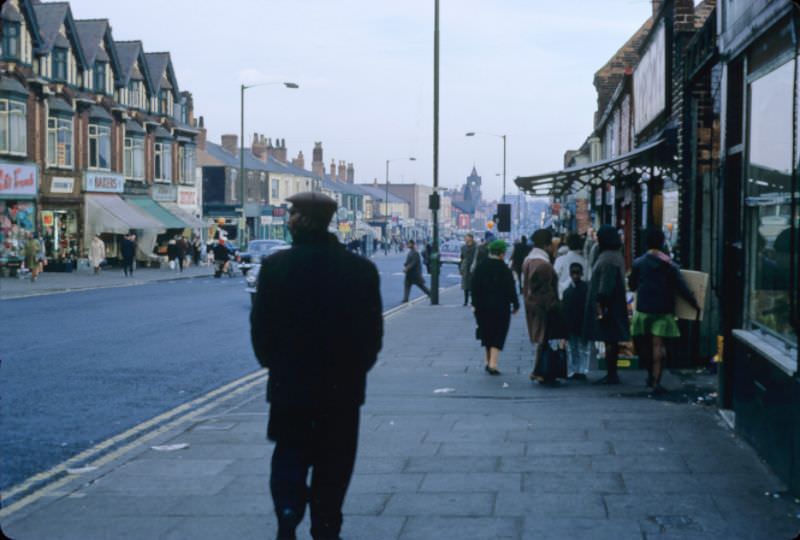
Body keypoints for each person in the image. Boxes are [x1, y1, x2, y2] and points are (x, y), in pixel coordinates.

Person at [250, 192, 383, 540]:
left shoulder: (276, 268)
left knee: (289, 460)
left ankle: (288, 519)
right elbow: (371, 339)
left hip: (290, 388)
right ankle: (326, 527)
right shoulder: (361, 271)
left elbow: (260, 334)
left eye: (292, 213)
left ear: (302, 220)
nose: (288, 218)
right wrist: (352, 372)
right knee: (334, 465)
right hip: (342, 392)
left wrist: (278, 366)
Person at [629, 227, 700, 394]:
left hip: (644, 309)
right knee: (658, 346)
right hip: (663, 310)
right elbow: (682, 287)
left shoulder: (638, 263)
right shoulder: (670, 265)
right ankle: (656, 381)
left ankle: (649, 374)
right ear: (662, 243)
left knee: (644, 345)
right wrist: (695, 304)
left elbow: (632, 285)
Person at [583, 225, 630, 385]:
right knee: (610, 339)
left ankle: (611, 374)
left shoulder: (608, 258)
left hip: (608, 305)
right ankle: (611, 373)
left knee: (610, 338)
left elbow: (606, 285)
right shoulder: (614, 255)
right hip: (612, 304)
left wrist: (600, 302)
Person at [471, 240, 520, 375]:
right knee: (498, 332)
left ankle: (488, 361)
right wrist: (515, 304)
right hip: (500, 306)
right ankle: (493, 363)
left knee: (486, 332)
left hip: (482, 306)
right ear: (502, 253)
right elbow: (511, 289)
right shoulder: (504, 269)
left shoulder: (480, 267)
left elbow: (474, 287)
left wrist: (474, 303)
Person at [522, 228, 562, 384]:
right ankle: (542, 372)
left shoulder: (529, 259)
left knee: (542, 339)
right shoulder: (542, 264)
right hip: (542, 306)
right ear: (546, 245)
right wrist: (554, 306)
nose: (554, 246)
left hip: (532, 303)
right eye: (551, 242)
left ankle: (539, 371)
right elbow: (545, 290)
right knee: (545, 338)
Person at [562, 263, 590, 380]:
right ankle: (580, 369)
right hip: (579, 323)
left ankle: (577, 369)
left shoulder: (568, 291)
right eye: (573, 273)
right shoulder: (586, 289)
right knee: (580, 348)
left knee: (576, 348)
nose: (575, 275)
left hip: (575, 323)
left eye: (577, 273)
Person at [553, 233, 587, 299]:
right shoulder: (585, 261)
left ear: (568, 244)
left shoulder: (560, 260)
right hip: (581, 298)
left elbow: (554, 278)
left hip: (562, 297)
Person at [459, 233, 478, 306]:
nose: (466, 239)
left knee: (473, 285)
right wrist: (460, 268)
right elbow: (462, 258)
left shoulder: (476, 247)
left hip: (473, 266)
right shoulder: (463, 247)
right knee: (465, 285)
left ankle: (473, 300)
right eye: (465, 238)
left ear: (471, 238)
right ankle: (465, 301)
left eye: (467, 237)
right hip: (466, 267)